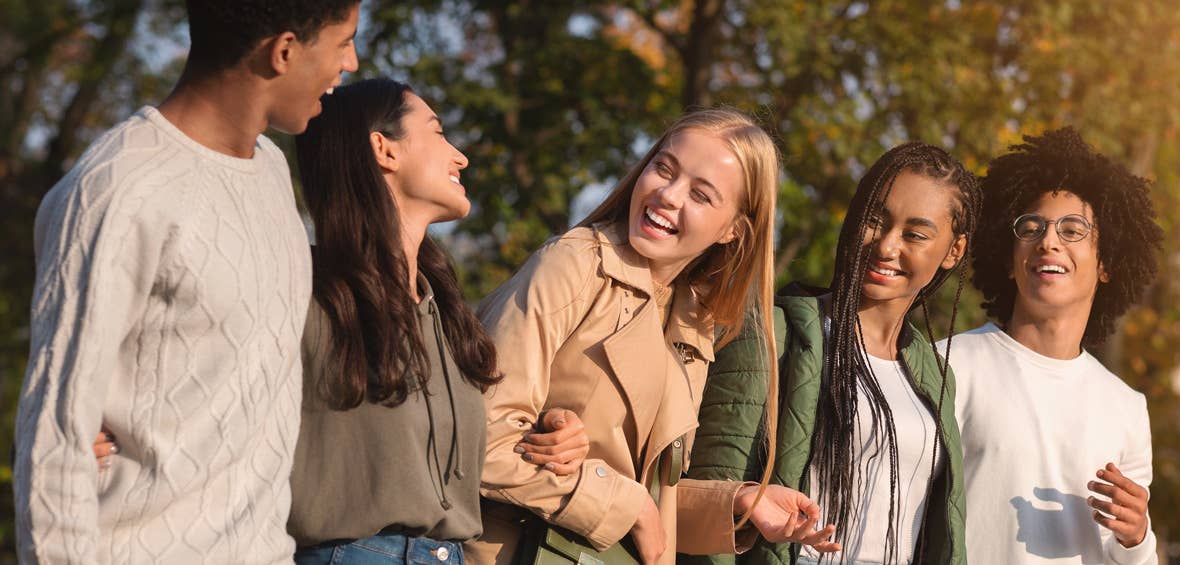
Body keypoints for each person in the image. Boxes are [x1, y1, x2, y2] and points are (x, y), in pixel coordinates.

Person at [13, 1, 359, 563]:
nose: (352, 61)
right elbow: (55, 443)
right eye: (343, 42)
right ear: (285, 51)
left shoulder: (271, 171)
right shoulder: (118, 189)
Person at [467, 108, 840, 564]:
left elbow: (645, 499)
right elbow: (475, 438)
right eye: (663, 168)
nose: (667, 194)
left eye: (701, 195)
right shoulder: (575, 264)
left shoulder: (694, 321)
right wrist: (628, 504)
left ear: (732, 231)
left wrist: (740, 503)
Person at [285, 77, 591, 564]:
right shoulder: (303, 292)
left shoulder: (444, 315)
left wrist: (554, 434)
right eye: (438, 132)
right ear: (384, 149)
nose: (460, 157)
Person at [684, 142, 979, 565]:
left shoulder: (935, 376)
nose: (887, 246)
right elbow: (714, 503)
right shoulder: (771, 335)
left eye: (915, 234)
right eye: (876, 220)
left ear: (954, 250)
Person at [938, 127, 1164, 564]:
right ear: (1008, 258)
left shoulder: (1127, 407)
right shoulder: (948, 364)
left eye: (1073, 229)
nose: (1049, 240)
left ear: (1106, 264)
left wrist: (1137, 537)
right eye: (1031, 227)